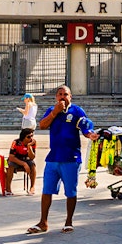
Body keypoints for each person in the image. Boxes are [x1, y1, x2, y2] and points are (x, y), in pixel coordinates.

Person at [28, 85, 97, 234]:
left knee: (70, 191)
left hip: (71, 158)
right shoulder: (52, 111)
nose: (62, 97)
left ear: (70, 96)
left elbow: (86, 127)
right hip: (53, 158)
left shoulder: (77, 111)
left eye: (65, 94)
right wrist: (55, 112)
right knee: (47, 190)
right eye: (59, 94)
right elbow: (42, 125)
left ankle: (68, 222)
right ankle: (43, 223)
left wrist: (90, 134)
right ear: (56, 97)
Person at [3, 128, 36, 196]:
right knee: (10, 165)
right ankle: (8, 189)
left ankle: (32, 187)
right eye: (29, 137)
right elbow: (11, 157)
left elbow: (32, 157)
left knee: (33, 165)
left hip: (27, 159)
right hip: (16, 159)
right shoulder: (16, 143)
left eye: (32, 136)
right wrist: (24, 164)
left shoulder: (33, 142)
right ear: (23, 137)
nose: (31, 138)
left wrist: (29, 146)